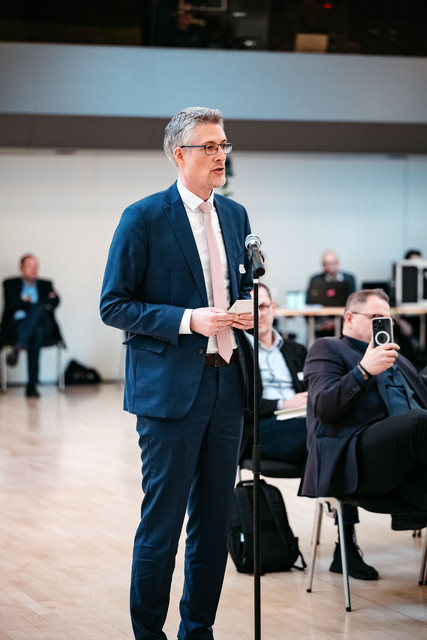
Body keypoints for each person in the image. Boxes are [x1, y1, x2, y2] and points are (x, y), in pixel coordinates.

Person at [100, 106, 254, 640]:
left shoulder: (235, 216)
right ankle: (149, 634)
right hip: (169, 392)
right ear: (179, 154)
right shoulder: (142, 217)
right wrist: (189, 320)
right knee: (162, 527)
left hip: (227, 384)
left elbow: (242, 288)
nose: (220, 156)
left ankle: (198, 631)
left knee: (213, 525)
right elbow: (114, 305)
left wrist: (258, 313)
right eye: (209, 147)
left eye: (224, 146)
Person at [244, 282, 378, 579]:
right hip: (261, 430)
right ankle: (346, 547)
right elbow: (237, 405)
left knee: (334, 432)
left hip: (305, 422)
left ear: (274, 309)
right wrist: (283, 401)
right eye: (251, 308)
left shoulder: (296, 349)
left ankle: (345, 545)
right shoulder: (237, 351)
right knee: (335, 435)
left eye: (264, 306)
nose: (258, 314)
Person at [299, 288, 427, 545]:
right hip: (360, 456)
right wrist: (364, 370)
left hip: (412, 453)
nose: (384, 325)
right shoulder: (329, 348)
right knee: (419, 421)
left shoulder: (400, 360)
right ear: (349, 318)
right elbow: (324, 406)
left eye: (387, 319)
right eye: (376, 318)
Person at [0, 254, 62, 398]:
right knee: (36, 331)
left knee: (38, 313)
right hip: (17, 327)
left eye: (36, 266)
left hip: (45, 325)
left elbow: (56, 302)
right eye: (30, 266)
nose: (34, 270)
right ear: (21, 269)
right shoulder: (10, 284)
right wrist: (39, 302)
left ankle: (19, 346)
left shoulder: (46, 284)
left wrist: (26, 302)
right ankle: (31, 387)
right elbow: (11, 304)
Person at [306, 249, 356, 337]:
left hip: (343, 320)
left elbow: (353, 302)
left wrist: (337, 322)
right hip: (322, 321)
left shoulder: (349, 279)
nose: (329, 267)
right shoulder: (315, 280)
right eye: (325, 264)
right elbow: (309, 301)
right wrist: (323, 321)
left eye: (332, 263)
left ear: (338, 262)